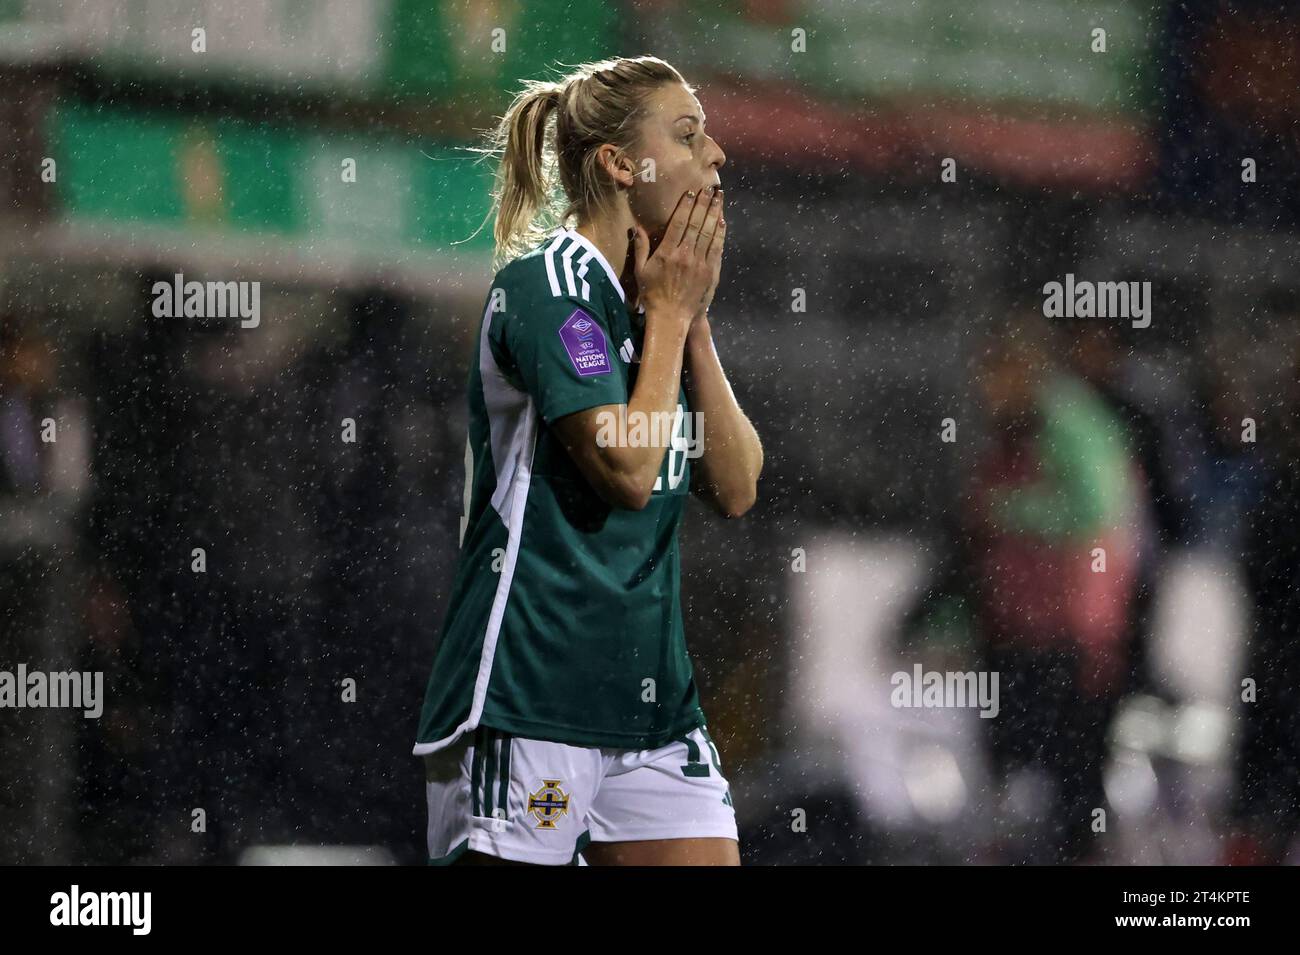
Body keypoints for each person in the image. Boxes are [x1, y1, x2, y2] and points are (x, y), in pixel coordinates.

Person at [413, 56, 763, 866]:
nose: (716, 155)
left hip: (651, 709)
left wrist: (693, 325)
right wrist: (671, 316)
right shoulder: (547, 290)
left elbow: (738, 485)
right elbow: (630, 473)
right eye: (687, 134)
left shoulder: (659, 306)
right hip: (531, 696)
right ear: (617, 163)